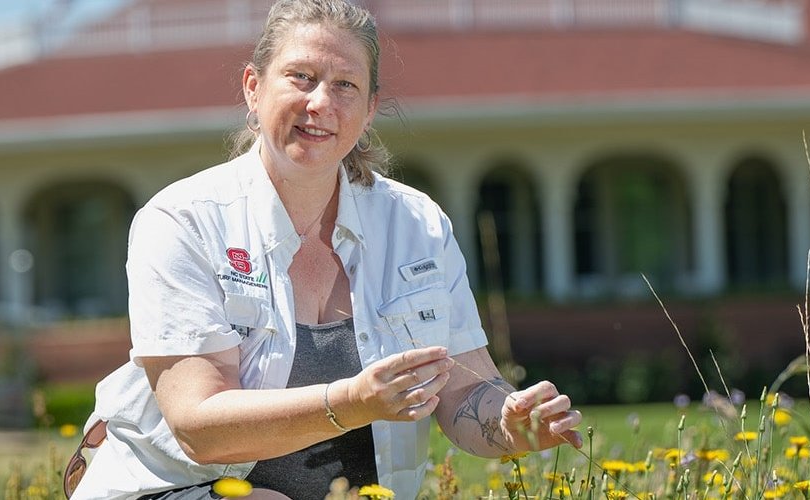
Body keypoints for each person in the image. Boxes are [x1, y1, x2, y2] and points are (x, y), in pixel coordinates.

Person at [65, 1, 582, 498]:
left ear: (370, 108)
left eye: (345, 85)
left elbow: (465, 394)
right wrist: (353, 401)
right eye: (301, 77)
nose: (321, 103)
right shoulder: (183, 221)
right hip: (175, 488)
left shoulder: (418, 224)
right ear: (252, 87)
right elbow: (201, 428)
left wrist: (514, 426)